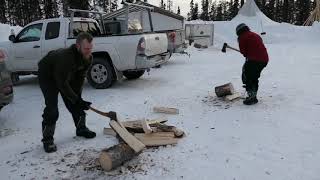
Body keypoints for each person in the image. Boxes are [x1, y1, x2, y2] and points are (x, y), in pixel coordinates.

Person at [38, 32, 95, 153]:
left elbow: (80, 78)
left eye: (90, 48)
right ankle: (47, 140)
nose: (89, 51)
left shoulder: (88, 57)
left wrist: (78, 98)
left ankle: (81, 129)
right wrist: (76, 99)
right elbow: (62, 84)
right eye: (86, 48)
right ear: (78, 46)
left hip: (64, 75)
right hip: (47, 76)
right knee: (52, 109)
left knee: (75, 101)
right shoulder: (66, 57)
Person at [236, 23, 269, 105]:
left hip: (254, 60)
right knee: (254, 77)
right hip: (264, 60)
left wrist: (246, 53)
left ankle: (252, 97)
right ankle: (253, 95)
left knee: (248, 76)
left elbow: (244, 52)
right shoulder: (255, 35)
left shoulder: (242, 37)